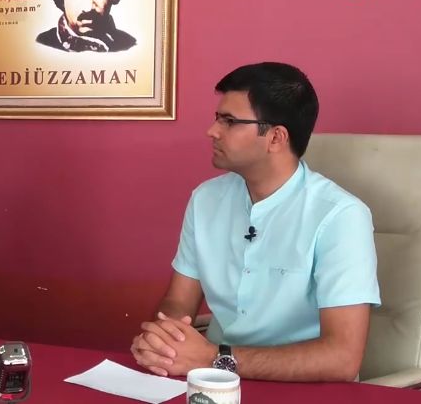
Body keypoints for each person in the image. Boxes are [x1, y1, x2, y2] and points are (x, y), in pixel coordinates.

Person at [131, 62, 381, 381]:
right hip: (212, 382)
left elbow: (342, 359)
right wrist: (165, 341)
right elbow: (179, 300)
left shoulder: (340, 216)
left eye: (229, 121)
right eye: (217, 118)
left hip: (306, 388)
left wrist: (214, 358)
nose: (212, 131)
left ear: (276, 137)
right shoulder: (206, 199)